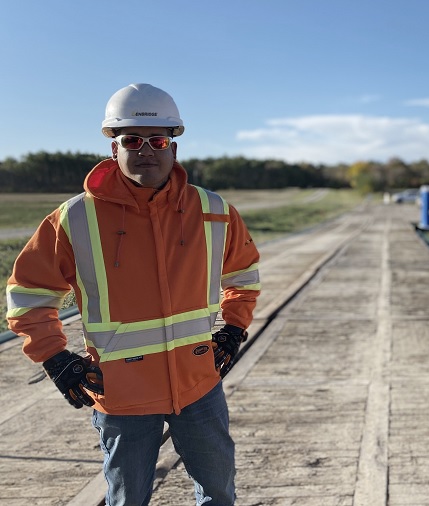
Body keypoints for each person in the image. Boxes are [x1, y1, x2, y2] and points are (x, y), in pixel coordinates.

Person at [6, 83, 261, 505]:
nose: (146, 149)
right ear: (114, 148)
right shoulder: (74, 218)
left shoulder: (214, 211)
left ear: (174, 148)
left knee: (219, 493)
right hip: (122, 395)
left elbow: (244, 275)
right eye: (132, 140)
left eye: (158, 139)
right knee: (127, 500)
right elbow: (29, 295)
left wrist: (233, 329)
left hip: (199, 386)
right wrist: (54, 357)